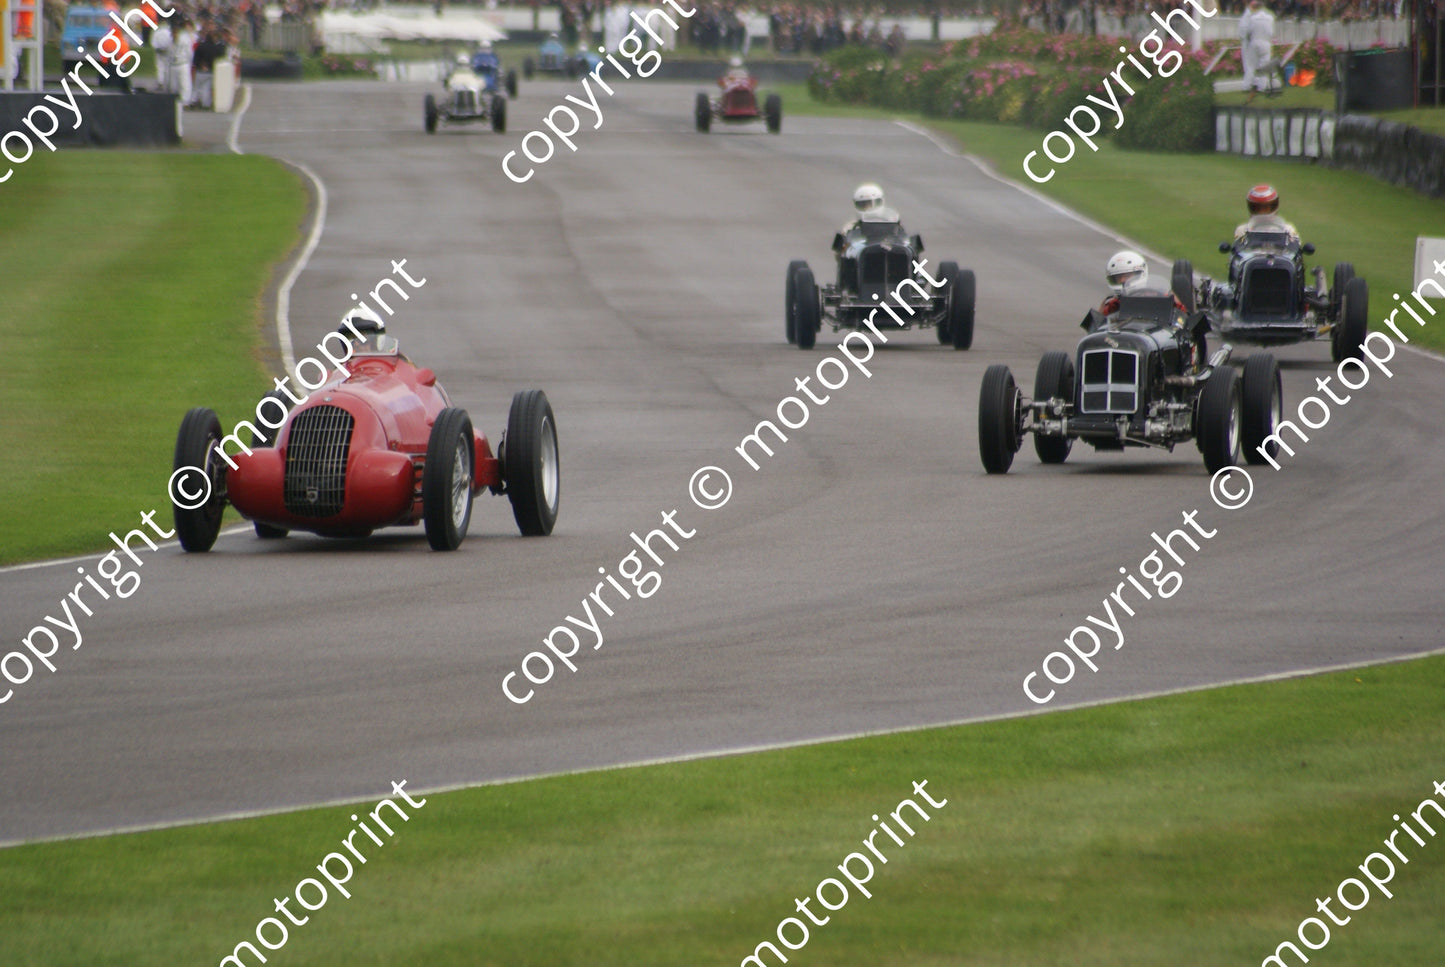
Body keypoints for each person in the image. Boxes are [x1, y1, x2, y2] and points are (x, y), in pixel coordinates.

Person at [1099, 250, 1187, 315]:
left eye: (1126, 276)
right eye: (1118, 277)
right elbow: (1098, 324)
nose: (1122, 280)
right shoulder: (1114, 304)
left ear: (1140, 273)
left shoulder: (1161, 297)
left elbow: (1182, 316)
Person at [1233, 184, 1299, 241]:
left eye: (1266, 208)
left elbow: (1294, 248)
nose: (1262, 213)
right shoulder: (1243, 230)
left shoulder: (1287, 230)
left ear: (1275, 206)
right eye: (1257, 208)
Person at [1239, 0, 1275, 96]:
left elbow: (1247, 31)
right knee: (1264, 65)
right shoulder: (1270, 18)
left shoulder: (1253, 18)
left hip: (1254, 42)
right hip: (1266, 43)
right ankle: (1262, 86)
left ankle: (1247, 85)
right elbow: (1271, 32)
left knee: (1250, 65)